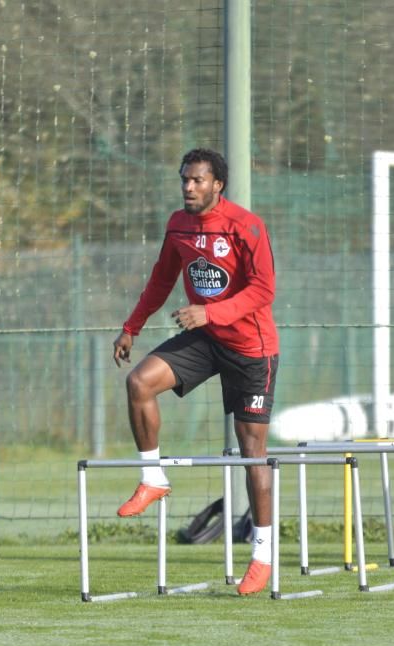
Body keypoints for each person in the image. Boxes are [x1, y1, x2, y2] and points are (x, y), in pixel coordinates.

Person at [113, 148, 280, 596]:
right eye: (184, 179)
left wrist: (213, 314)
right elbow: (162, 278)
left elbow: (265, 289)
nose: (188, 187)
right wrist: (132, 327)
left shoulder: (246, 226)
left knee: (251, 452)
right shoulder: (178, 224)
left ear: (217, 185)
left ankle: (262, 553)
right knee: (139, 382)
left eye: (198, 181)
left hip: (251, 349)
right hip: (208, 340)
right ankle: (152, 478)